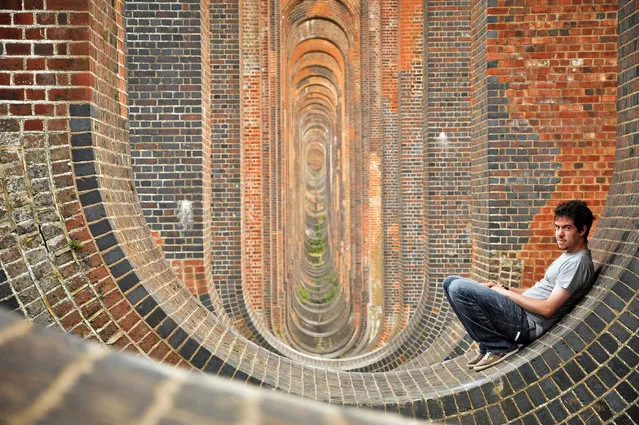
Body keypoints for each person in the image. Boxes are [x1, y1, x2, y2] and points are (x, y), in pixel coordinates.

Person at [443, 200, 595, 371]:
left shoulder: (577, 263)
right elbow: (538, 291)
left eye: (567, 228)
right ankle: (487, 345)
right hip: (518, 312)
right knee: (450, 282)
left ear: (582, 230)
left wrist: (506, 295)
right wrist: (504, 288)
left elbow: (548, 308)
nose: (559, 234)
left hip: (527, 323)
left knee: (459, 289)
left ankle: (498, 347)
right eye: (557, 227)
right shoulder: (569, 256)